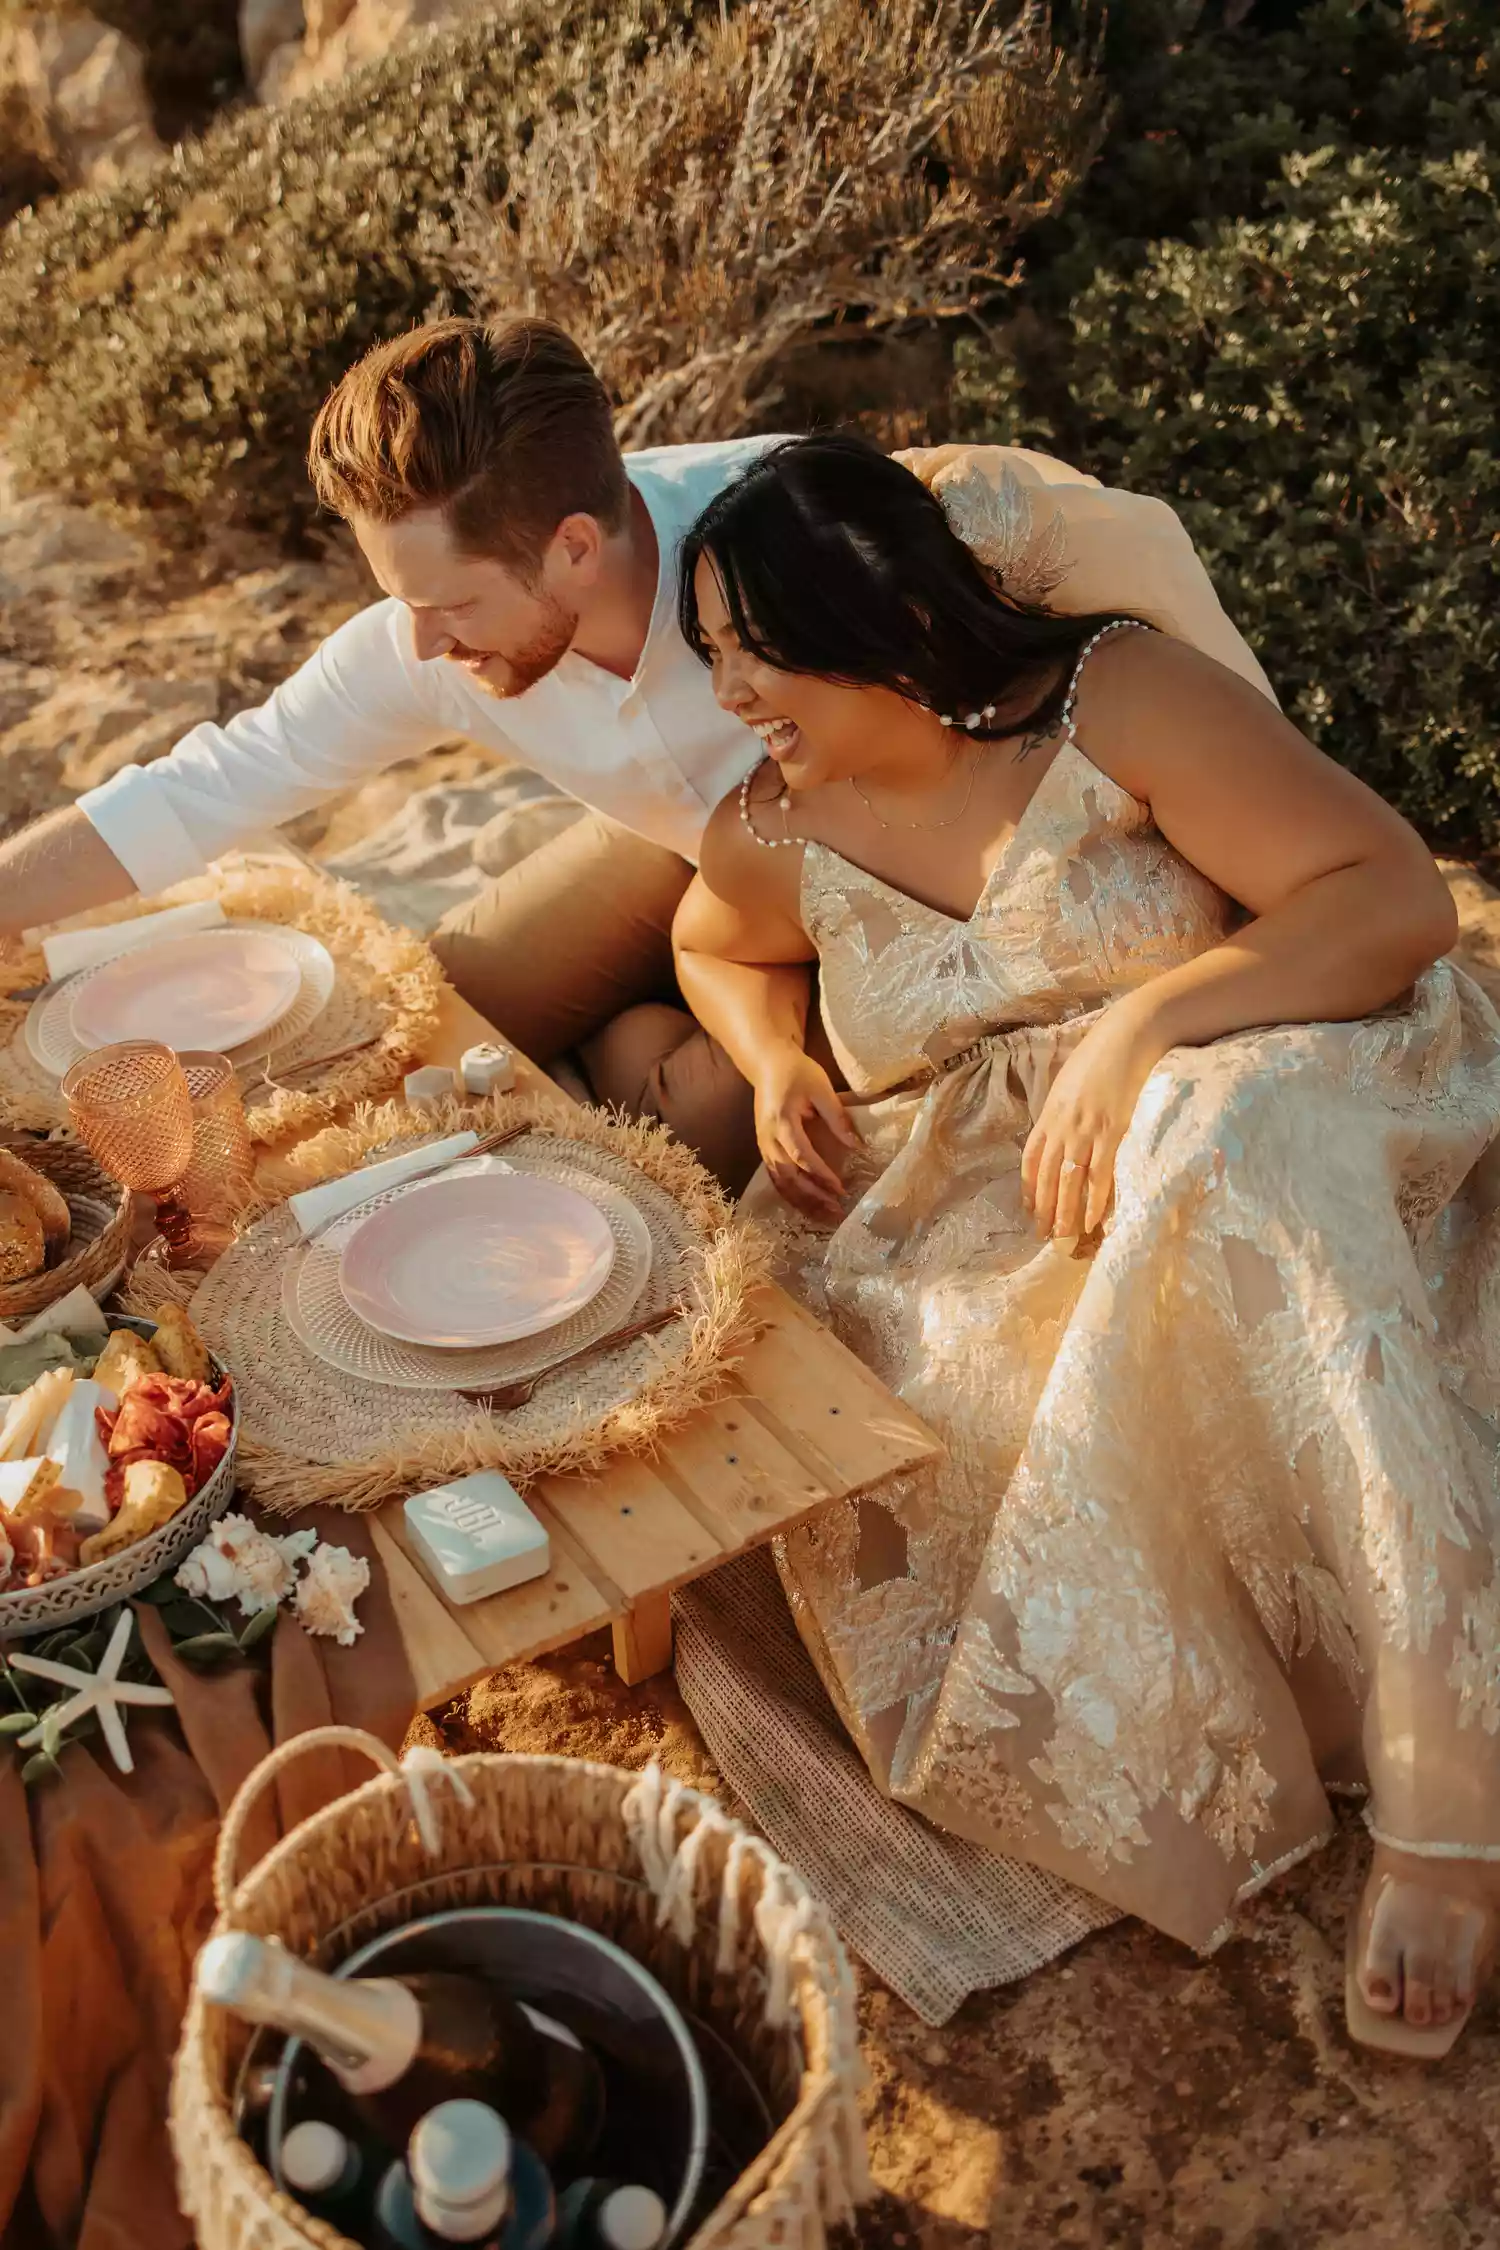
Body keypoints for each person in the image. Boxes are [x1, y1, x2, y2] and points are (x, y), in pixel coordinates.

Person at [670, 432, 1500, 2055]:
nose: (728, 699)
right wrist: (774, 1064)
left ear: (888, 626)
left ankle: (1448, 1799)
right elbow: (713, 945)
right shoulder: (776, 822)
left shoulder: (1108, 701)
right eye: (711, 660)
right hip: (997, 1196)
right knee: (929, 1427)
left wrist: (1146, 1037)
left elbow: (1387, 895)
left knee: (1221, 1150)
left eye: (755, 655)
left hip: (1281, 1058)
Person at [0, 315, 1276, 1191]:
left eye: (449, 605)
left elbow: (1074, 681)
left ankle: (639, 1049)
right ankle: (626, 1031)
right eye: (400, 601)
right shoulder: (427, 629)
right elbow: (207, 781)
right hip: (681, 853)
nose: (423, 644)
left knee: (711, 1117)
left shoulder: (791, 531)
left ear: (570, 545)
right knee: (407, 1027)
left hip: (862, 880)